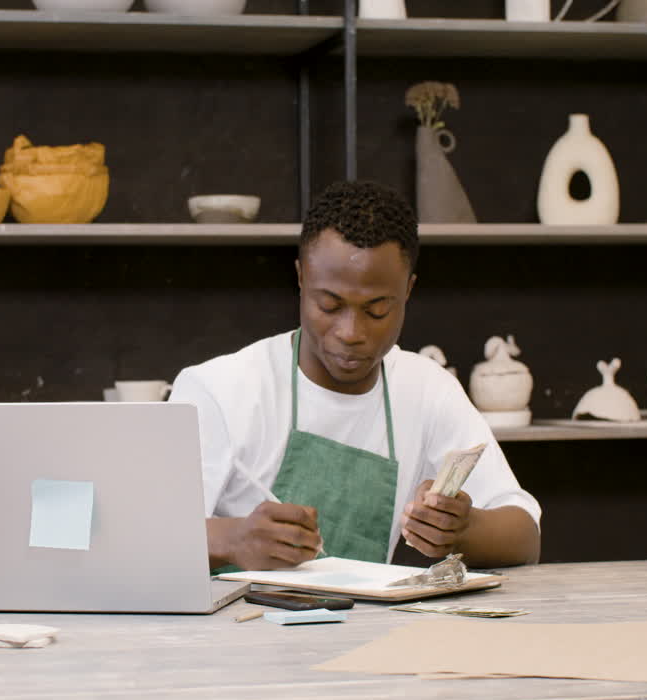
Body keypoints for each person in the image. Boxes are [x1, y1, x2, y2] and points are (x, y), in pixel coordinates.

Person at [169, 181, 541, 571]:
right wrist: (233, 539)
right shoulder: (219, 389)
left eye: (377, 310)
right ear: (300, 278)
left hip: (363, 629)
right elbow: (141, 535)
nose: (351, 332)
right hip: (240, 629)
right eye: (329, 305)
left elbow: (525, 537)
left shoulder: (426, 389)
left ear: (408, 291)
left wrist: (463, 528)